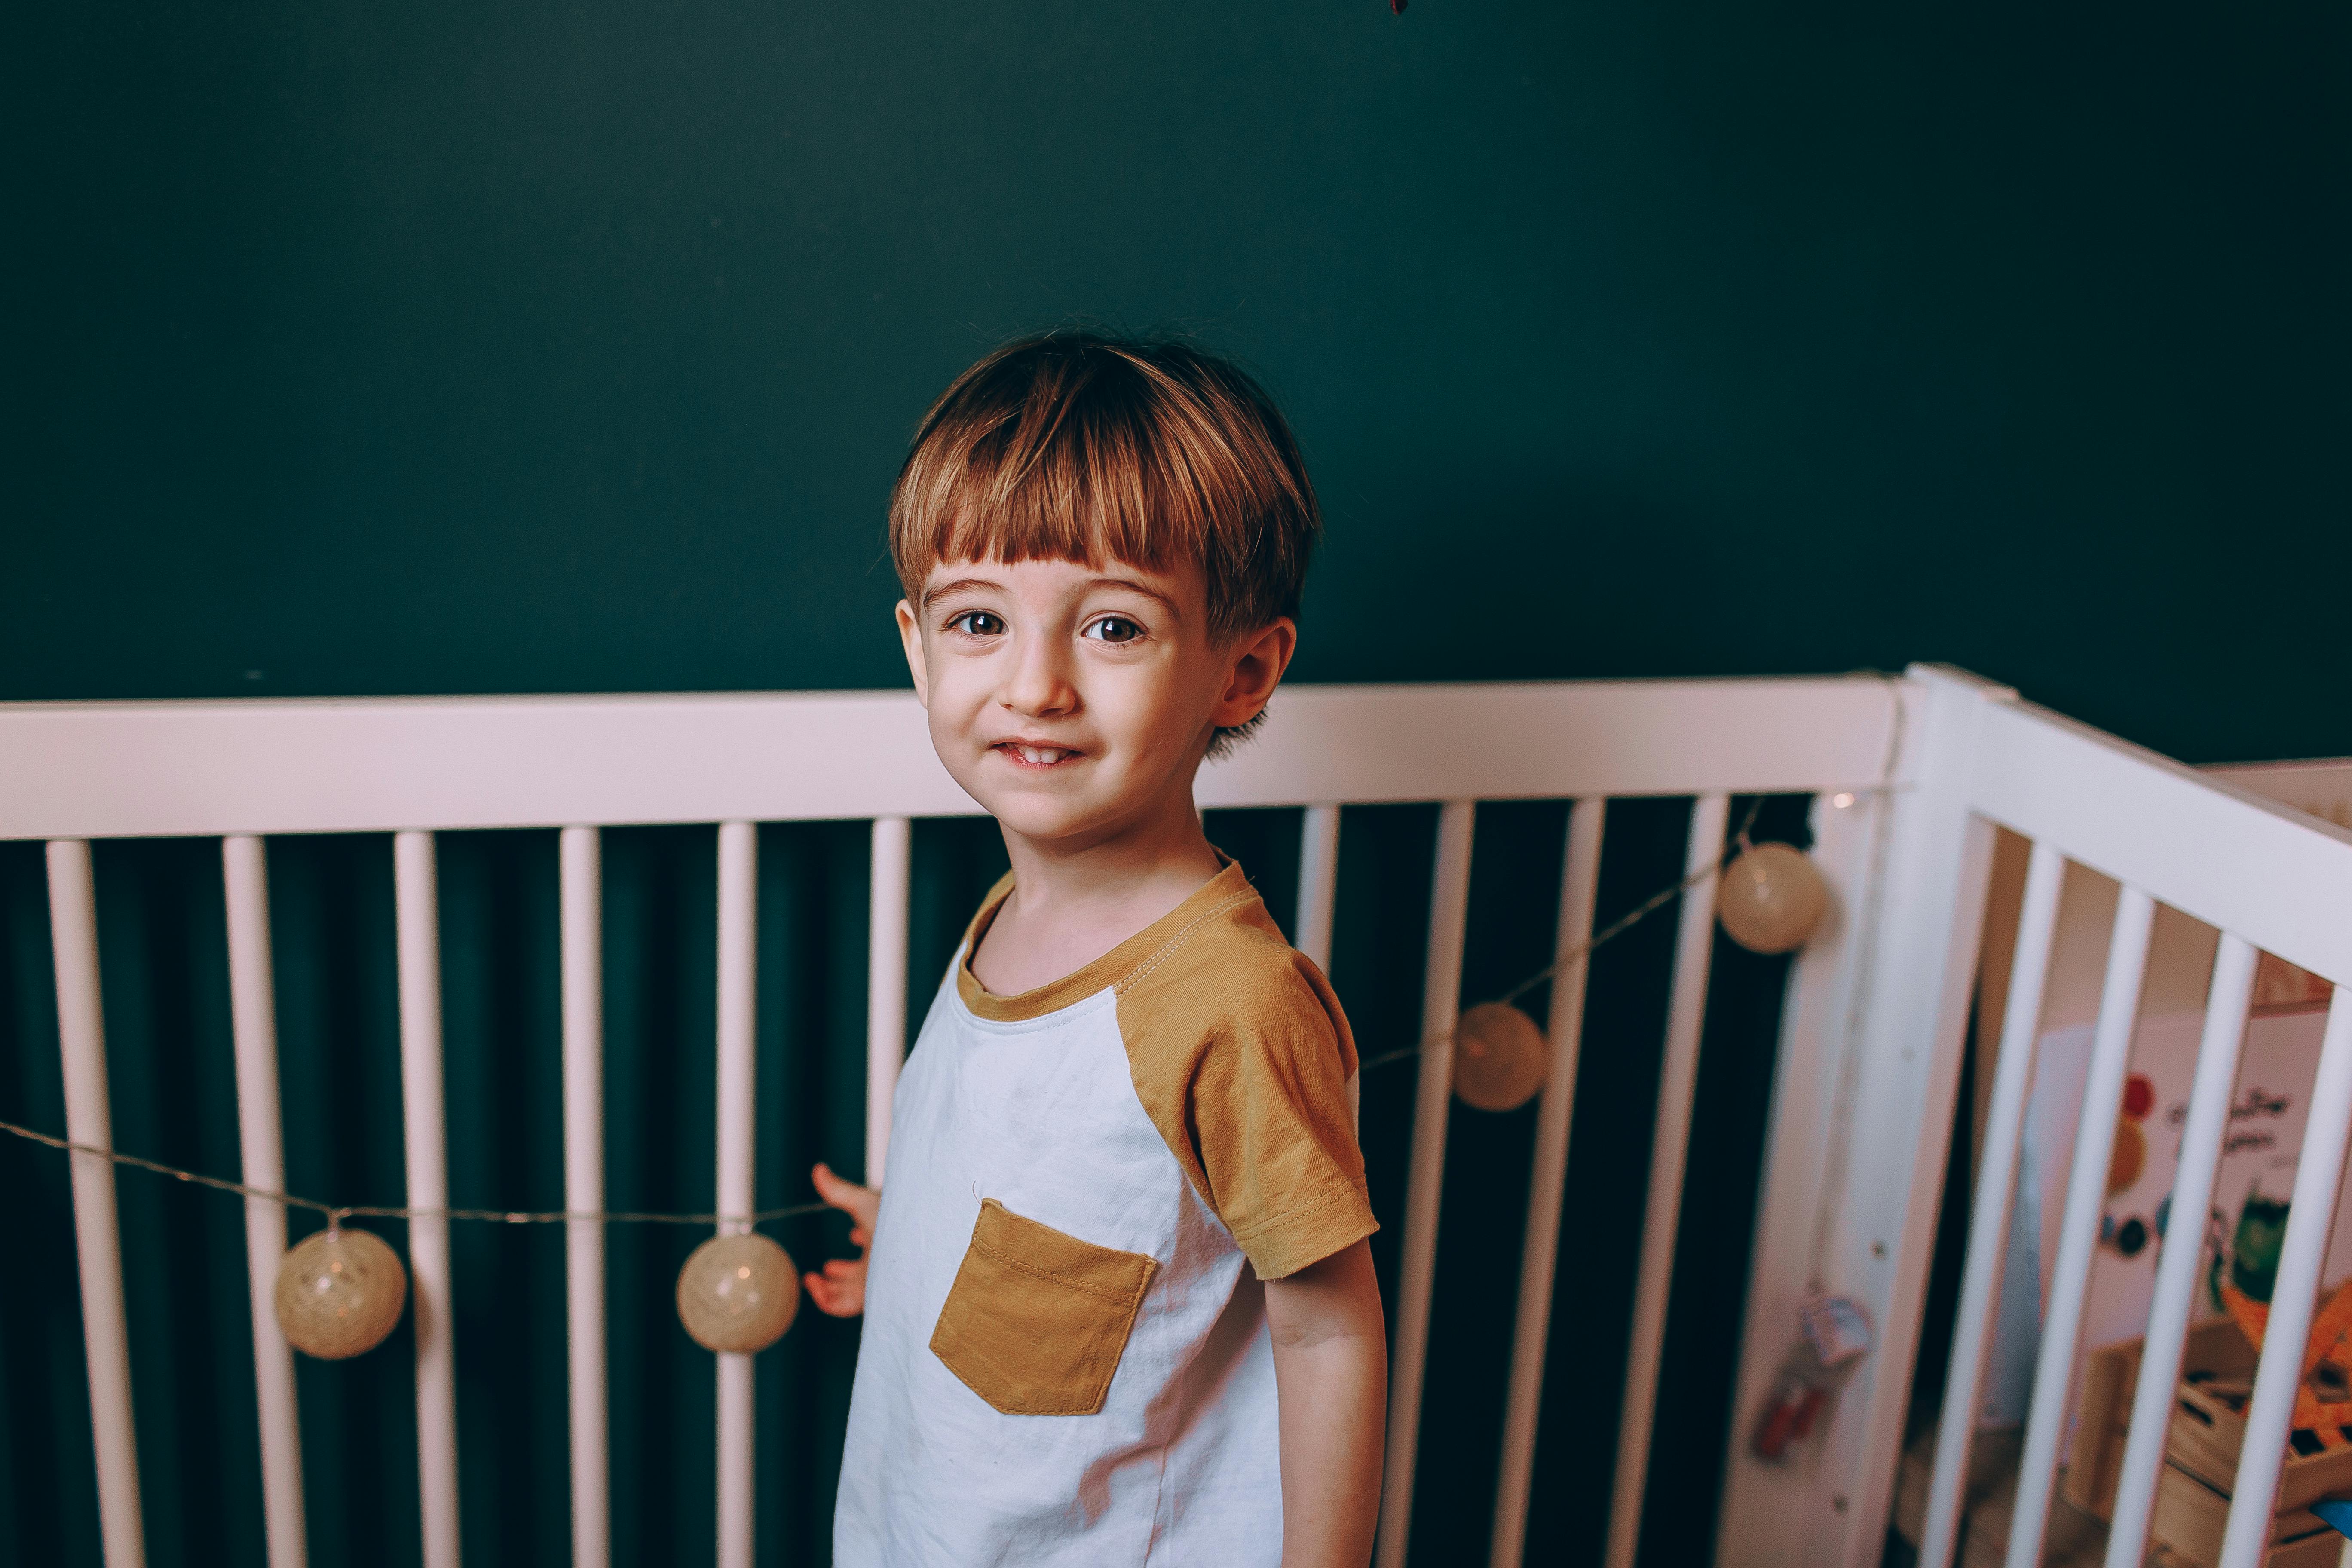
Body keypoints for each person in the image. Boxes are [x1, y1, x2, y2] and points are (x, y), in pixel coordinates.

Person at [805, 331, 1387, 1567]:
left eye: (1114, 629)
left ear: (1243, 672)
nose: (1036, 685)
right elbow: (1089, 1209)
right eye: (979, 621)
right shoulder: (1011, 915)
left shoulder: (1228, 1001)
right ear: (915, 644)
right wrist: (917, 1248)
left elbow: (1330, 1334)